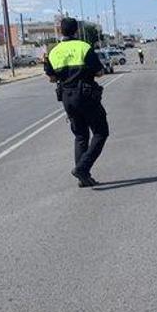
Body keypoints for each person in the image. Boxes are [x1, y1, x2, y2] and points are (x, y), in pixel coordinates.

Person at [45, 17, 109, 188]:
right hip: (86, 96)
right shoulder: (84, 47)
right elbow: (100, 72)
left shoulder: (54, 51)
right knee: (101, 132)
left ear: (60, 31)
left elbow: (51, 78)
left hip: (67, 97)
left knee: (80, 136)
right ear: (76, 30)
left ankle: (83, 178)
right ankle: (82, 168)